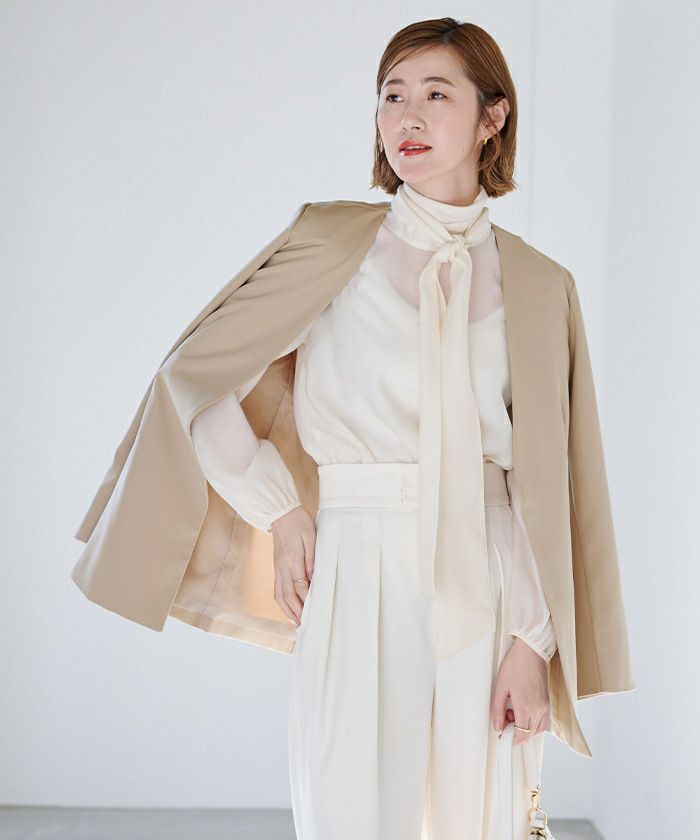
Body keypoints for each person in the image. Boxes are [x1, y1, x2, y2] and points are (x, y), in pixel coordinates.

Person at [71, 17, 635, 840]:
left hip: (490, 576)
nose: (407, 117)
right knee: (349, 813)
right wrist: (280, 513)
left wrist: (531, 642)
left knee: (484, 818)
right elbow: (194, 382)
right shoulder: (333, 245)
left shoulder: (542, 285)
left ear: (493, 116)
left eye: (436, 94)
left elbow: (545, 486)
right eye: (391, 96)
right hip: (358, 562)